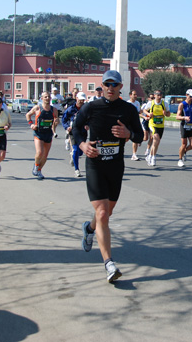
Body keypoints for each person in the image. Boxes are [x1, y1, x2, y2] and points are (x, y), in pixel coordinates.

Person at [74, 70, 144, 283]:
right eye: (107, 84)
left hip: (115, 167)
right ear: (102, 86)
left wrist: (129, 134)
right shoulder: (91, 107)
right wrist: (83, 145)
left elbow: (141, 135)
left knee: (106, 212)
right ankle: (109, 264)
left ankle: (89, 228)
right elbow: (76, 129)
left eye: (115, 84)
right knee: (103, 213)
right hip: (95, 165)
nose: (110, 87)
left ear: (121, 87)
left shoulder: (128, 109)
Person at [26, 91, 59, 179]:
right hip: (39, 133)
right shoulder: (37, 108)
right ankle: (36, 166)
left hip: (48, 134)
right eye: (45, 97)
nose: (47, 98)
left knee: (45, 156)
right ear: (41, 98)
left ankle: (39, 170)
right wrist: (31, 124)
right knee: (39, 152)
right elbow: (28, 115)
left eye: (48, 97)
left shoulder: (54, 110)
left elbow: (56, 119)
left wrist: (56, 122)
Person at [62, 92, 86, 177]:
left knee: (80, 152)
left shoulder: (86, 108)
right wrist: (67, 127)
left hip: (83, 132)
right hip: (73, 132)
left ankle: (73, 156)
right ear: (76, 98)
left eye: (83, 100)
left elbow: (91, 118)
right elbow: (64, 120)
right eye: (80, 100)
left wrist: (88, 125)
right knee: (75, 149)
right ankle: (77, 169)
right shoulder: (70, 109)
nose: (82, 102)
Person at [144, 89, 170, 166]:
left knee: (156, 142)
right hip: (152, 124)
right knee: (156, 137)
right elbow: (144, 110)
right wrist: (149, 114)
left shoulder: (164, 104)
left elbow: (169, 114)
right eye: (157, 95)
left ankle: (150, 155)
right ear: (154, 95)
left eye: (160, 95)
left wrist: (165, 113)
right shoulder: (151, 103)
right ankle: (153, 158)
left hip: (161, 125)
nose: (159, 96)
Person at [175, 89, 192, 167]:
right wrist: (184, 118)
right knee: (184, 144)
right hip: (184, 126)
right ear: (186, 95)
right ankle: (180, 159)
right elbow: (177, 117)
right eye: (190, 96)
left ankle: (184, 151)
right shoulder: (182, 105)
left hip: (191, 126)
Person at [127, 90, 143, 161]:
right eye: (134, 94)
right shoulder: (127, 103)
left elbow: (139, 112)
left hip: (135, 123)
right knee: (125, 139)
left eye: (136, 95)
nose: (136, 96)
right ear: (130, 95)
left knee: (135, 139)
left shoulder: (137, 103)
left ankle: (134, 154)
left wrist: (145, 116)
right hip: (128, 123)